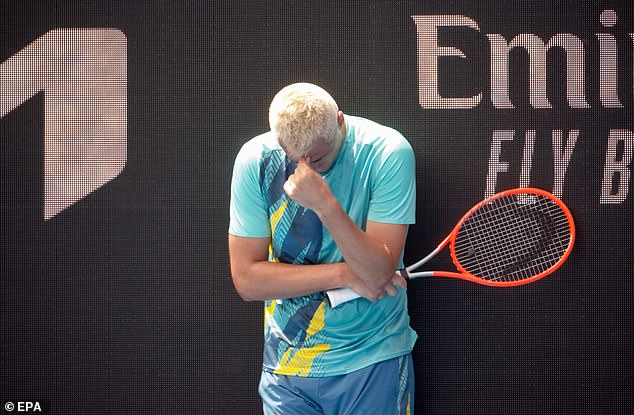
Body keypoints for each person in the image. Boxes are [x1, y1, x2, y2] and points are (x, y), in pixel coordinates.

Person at [228, 83, 418, 415]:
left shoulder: (387, 151)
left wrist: (324, 205)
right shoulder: (255, 159)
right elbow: (247, 280)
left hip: (371, 356)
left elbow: (377, 274)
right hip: (287, 366)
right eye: (294, 156)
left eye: (317, 159)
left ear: (341, 122)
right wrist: (344, 274)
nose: (305, 170)